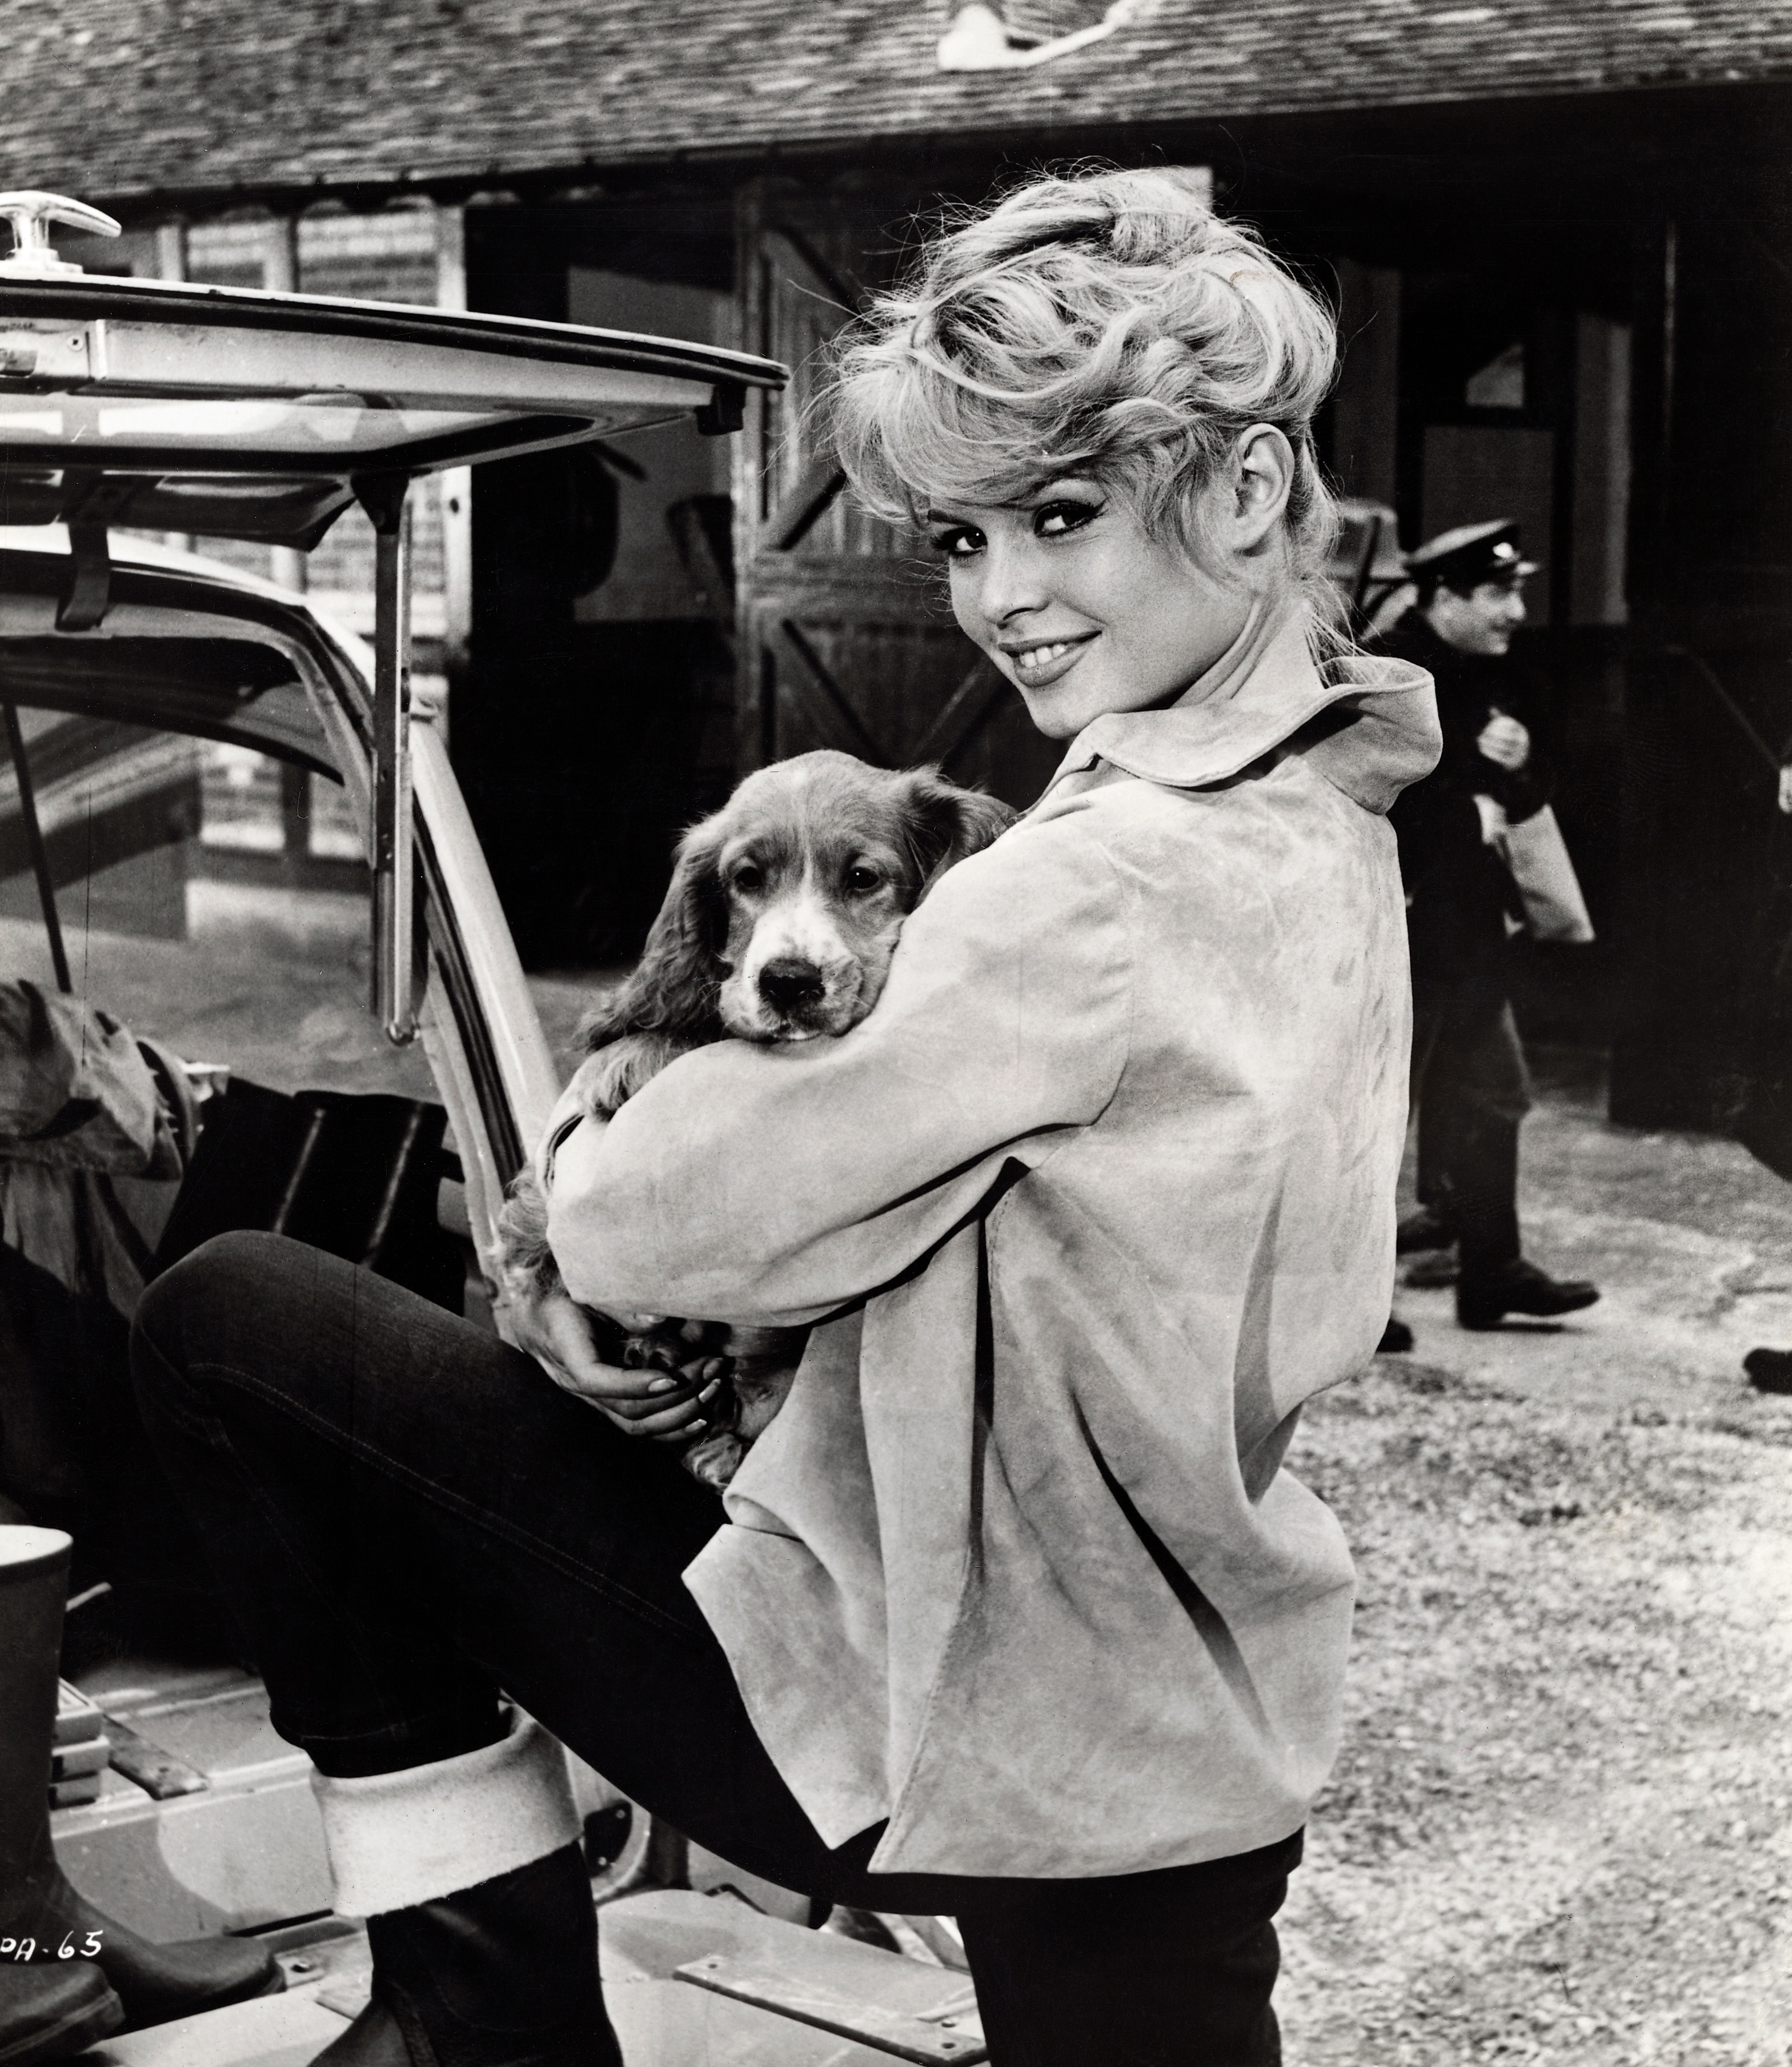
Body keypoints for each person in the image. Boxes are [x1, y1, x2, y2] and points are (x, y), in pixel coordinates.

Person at [122, 169, 1440, 2067]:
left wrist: (571, 1204)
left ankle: (477, 2021)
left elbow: (654, 1227)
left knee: (235, 1321)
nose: (997, 597)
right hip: (1185, 1709)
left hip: (927, 1699)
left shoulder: (1085, 889)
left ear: (1240, 492)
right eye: (958, 540)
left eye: (1054, 518)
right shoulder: (1321, 828)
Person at [1376, 519, 1599, 1331]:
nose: (1515, 611)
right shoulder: (1388, 681)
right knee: (1373, 1115)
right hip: (1399, 937)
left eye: (1518, 591)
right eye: (1498, 593)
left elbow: (1502, 803)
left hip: (1464, 937)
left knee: (1494, 1097)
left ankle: (1492, 1273)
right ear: (1442, 597)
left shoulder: (1477, 673)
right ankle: (1346, 1299)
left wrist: (1513, 771)